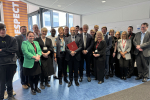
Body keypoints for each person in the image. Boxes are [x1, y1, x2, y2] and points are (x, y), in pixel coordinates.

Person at [0, 23, 18, 100]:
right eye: (0, 29)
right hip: (1, 64)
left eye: (3, 29)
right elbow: (12, 51)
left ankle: (10, 96)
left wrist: (2, 50)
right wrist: (9, 52)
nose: (1, 31)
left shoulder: (12, 39)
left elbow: (15, 49)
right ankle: (1, 97)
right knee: (1, 82)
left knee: (9, 81)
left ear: (6, 29)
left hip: (11, 63)